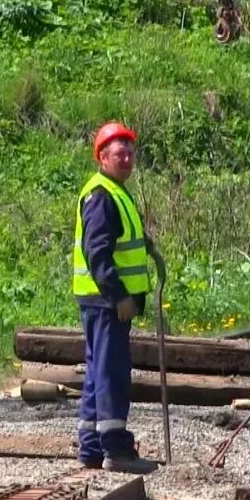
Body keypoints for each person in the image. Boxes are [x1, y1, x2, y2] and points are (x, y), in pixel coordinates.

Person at [72, 122, 158, 473]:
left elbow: (121, 241)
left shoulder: (115, 191)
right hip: (106, 303)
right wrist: (119, 296)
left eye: (129, 153)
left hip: (103, 303)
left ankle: (91, 446)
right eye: (118, 153)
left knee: (97, 373)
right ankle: (117, 450)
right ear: (102, 157)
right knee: (111, 375)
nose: (126, 158)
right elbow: (98, 254)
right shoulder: (102, 195)